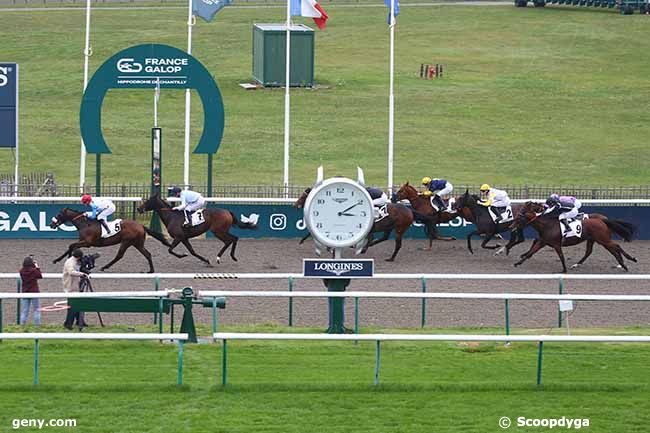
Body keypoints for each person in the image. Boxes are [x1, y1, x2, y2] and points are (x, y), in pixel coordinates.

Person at [62, 249, 88, 330]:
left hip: (74, 285)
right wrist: (82, 274)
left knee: (77, 304)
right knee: (73, 306)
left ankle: (79, 321)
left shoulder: (73, 261)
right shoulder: (70, 262)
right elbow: (71, 272)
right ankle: (68, 323)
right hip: (71, 286)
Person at [19, 256, 43, 326]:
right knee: (36, 310)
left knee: (24, 311)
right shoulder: (34, 271)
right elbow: (40, 276)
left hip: (25, 292)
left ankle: (22, 326)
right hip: (34, 292)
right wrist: (37, 266)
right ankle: (37, 326)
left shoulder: (21, 271)